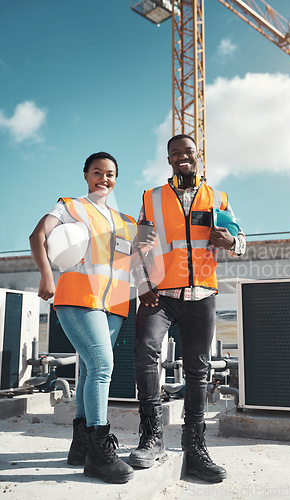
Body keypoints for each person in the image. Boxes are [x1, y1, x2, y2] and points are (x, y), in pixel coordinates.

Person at [129, 134, 246, 483]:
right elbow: (138, 244)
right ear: (168, 159)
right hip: (159, 295)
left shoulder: (218, 198)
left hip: (201, 296)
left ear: (199, 156)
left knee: (198, 368)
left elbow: (241, 239)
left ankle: (194, 446)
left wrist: (232, 242)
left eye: (188, 152)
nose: (183, 157)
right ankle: (151, 437)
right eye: (175, 153)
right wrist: (141, 283)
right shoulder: (151, 198)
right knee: (145, 351)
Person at [29, 152, 147, 484]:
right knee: (103, 367)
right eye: (97, 172)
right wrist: (46, 276)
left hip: (113, 306)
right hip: (79, 299)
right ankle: (99, 450)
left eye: (110, 174)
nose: (104, 178)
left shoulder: (125, 221)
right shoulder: (70, 207)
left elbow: (132, 263)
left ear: (116, 178)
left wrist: (145, 251)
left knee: (88, 371)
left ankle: (79, 446)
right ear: (86, 175)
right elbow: (37, 236)